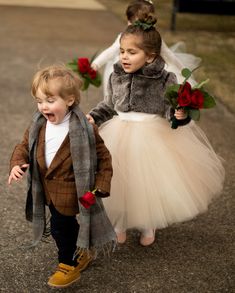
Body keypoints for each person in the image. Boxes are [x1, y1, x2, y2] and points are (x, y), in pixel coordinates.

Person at [87, 15, 225, 247]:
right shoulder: (116, 75)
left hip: (151, 134)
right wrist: (94, 116)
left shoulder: (165, 79)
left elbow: (173, 110)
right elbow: (109, 105)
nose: (124, 57)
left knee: (147, 182)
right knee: (118, 179)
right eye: (122, 51)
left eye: (132, 52)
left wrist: (178, 116)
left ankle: (147, 222)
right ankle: (120, 222)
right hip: (119, 132)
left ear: (150, 55)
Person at [8, 64, 116, 288]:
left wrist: (101, 185)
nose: (43, 107)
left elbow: (104, 157)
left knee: (59, 227)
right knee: (65, 225)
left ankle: (67, 264)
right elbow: (23, 146)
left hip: (74, 189)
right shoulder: (38, 125)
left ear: (69, 100)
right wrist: (17, 164)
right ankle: (82, 251)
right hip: (47, 189)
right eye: (39, 101)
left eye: (49, 100)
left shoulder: (84, 129)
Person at [91, 0, 201, 96]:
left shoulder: (154, 39)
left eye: (133, 22)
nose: (130, 25)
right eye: (129, 22)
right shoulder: (124, 37)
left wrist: (183, 71)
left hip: (149, 76)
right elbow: (110, 51)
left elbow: (169, 56)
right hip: (126, 70)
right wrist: (96, 63)